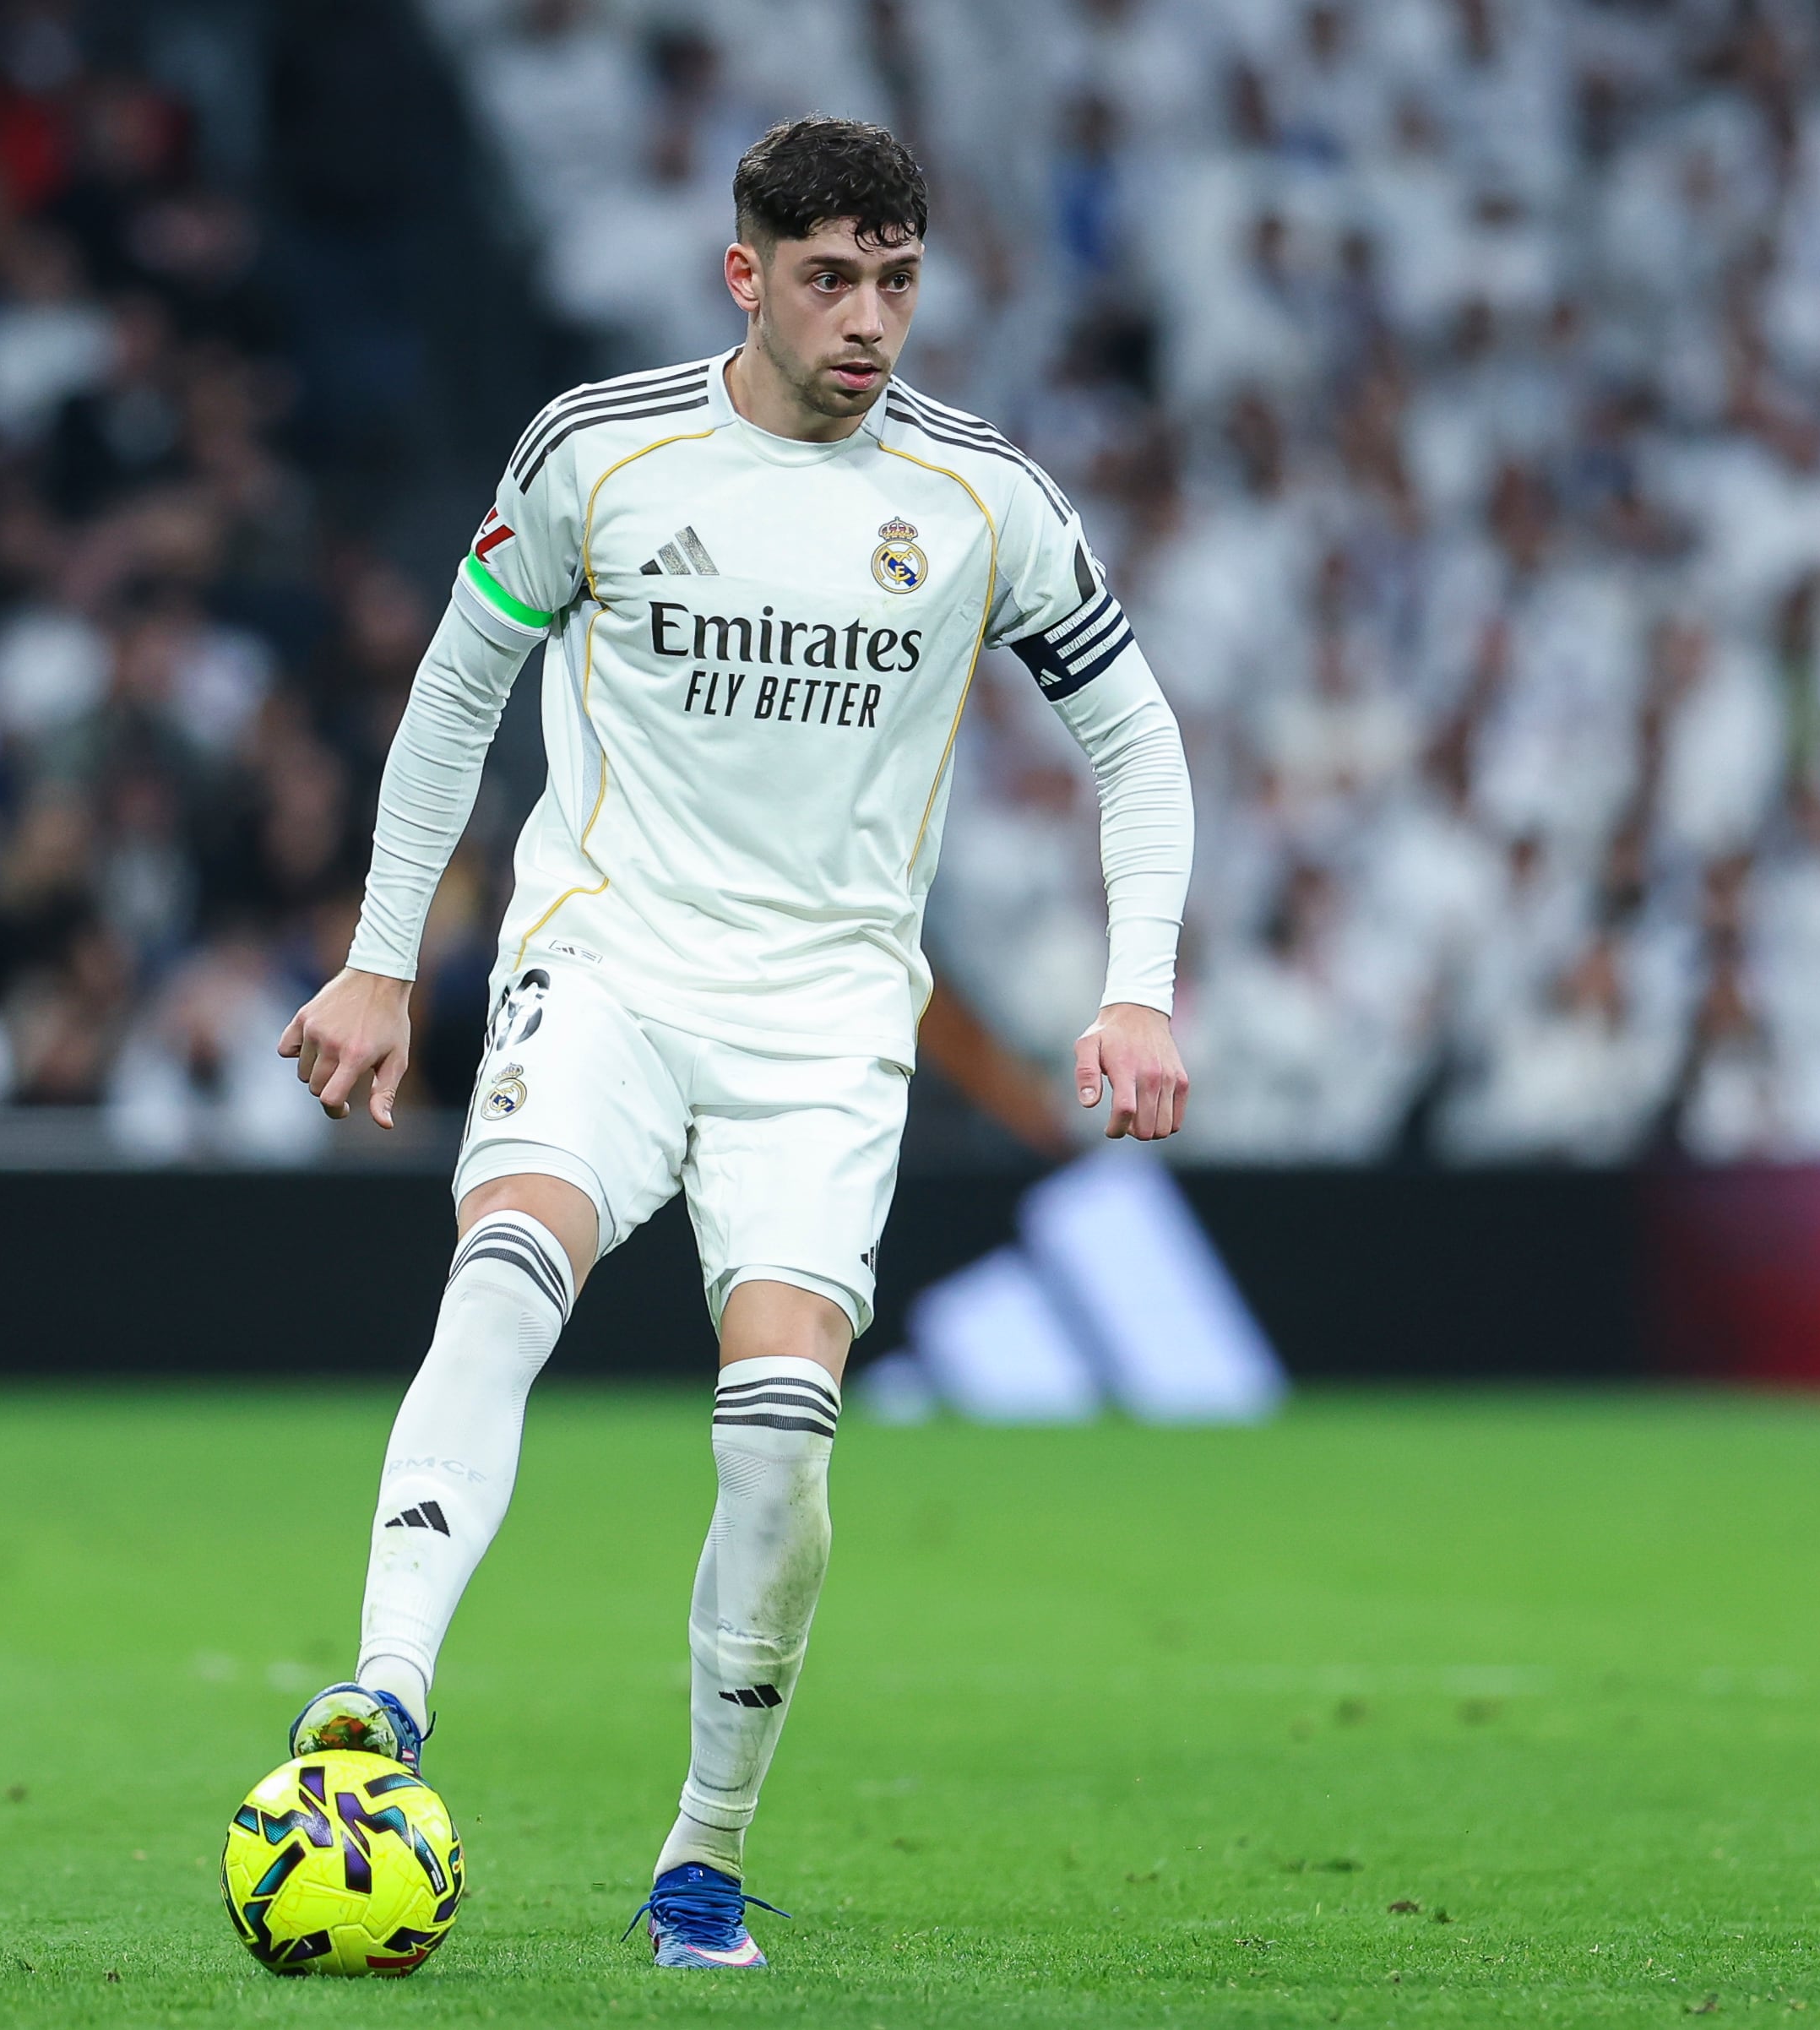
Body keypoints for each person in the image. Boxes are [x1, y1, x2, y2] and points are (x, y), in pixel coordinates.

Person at [271, 117, 1196, 1970]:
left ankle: (702, 1850)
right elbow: (458, 691)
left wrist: (1140, 983)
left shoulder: (981, 497)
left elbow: (1138, 741)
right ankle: (381, 1698)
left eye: (900, 280)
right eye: (834, 278)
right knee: (506, 1267)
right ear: (746, 274)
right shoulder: (599, 451)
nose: (871, 321)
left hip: (835, 1012)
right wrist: (382, 961)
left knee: (780, 1433)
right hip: (606, 958)